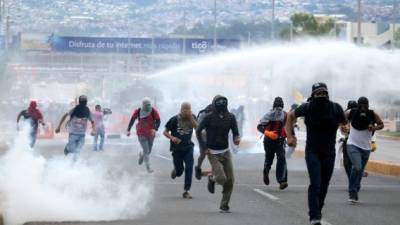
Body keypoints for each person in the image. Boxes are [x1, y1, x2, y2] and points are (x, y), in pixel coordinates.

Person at [286, 82, 347, 225]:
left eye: (323, 93)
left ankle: (317, 209)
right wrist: (290, 136)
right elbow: (290, 116)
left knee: (324, 183)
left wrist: (345, 128)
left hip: (329, 152)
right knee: (316, 183)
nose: (321, 96)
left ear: (327, 94)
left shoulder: (335, 108)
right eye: (318, 93)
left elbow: (344, 123)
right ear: (313, 96)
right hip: (312, 151)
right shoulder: (307, 107)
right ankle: (314, 216)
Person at [196, 95, 240, 213]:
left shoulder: (231, 117)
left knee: (230, 180)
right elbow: (198, 131)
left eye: (223, 102)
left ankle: (224, 205)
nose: (221, 104)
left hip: (225, 152)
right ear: (214, 103)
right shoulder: (208, 117)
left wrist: (237, 138)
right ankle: (212, 178)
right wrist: (204, 146)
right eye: (218, 102)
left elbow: (236, 131)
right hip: (212, 152)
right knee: (221, 178)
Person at [346, 97, 384, 203]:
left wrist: (374, 128)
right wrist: (342, 125)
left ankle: (356, 189)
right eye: (361, 104)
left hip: (366, 148)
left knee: (360, 170)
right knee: (357, 167)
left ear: (368, 105)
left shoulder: (372, 114)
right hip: (352, 145)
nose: (363, 107)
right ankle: (352, 192)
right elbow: (341, 118)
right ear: (358, 105)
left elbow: (381, 124)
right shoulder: (351, 112)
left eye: (365, 105)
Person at [164, 102, 197, 199]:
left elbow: (198, 128)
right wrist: (172, 138)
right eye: (185, 110)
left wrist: (191, 118)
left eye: (188, 110)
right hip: (177, 149)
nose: (187, 112)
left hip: (188, 147)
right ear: (181, 110)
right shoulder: (174, 119)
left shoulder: (193, 117)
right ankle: (176, 170)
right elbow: (165, 132)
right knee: (179, 172)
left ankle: (186, 190)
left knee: (189, 167)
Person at [257, 97, 288, 190]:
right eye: (277, 107)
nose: (278, 109)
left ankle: (282, 180)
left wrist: (289, 136)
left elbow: (288, 127)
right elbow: (259, 126)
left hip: (280, 140)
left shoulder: (285, 115)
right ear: (274, 106)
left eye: (280, 107)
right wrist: (268, 133)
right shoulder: (268, 115)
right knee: (269, 159)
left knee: (282, 158)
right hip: (269, 140)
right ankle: (265, 172)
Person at [55, 95, 95, 160]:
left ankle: (74, 163)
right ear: (80, 102)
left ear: (86, 102)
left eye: (84, 102)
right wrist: (58, 127)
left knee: (78, 150)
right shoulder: (74, 110)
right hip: (73, 134)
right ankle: (67, 148)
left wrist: (94, 130)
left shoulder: (87, 111)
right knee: (71, 149)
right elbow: (64, 116)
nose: (83, 103)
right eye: (82, 102)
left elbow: (93, 121)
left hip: (82, 135)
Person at [127, 98, 161, 173]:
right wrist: (128, 130)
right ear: (143, 105)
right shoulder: (138, 111)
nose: (148, 106)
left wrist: (155, 129)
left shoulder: (153, 111)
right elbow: (132, 120)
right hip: (141, 133)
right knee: (146, 150)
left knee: (149, 151)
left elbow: (158, 121)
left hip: (151, 133)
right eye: (146, 105)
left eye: (149, 105)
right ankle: (148, 167)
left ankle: (142, 155)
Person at [338, 100, 358, 180]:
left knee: (348, 162)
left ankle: (353, 178)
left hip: (354, 140)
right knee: (348, 162)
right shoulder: (345, 115)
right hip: (349, 140)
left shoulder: (361, 115)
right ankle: (352, 179)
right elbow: (341, 127)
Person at [194, 104, 214, 180]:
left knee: (213, 155)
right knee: (203, 154)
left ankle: (212, 174)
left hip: (212, 136)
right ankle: (198, 168)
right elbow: (199, 129)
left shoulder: (218, 113)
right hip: (203, 135)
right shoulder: (203, 115)